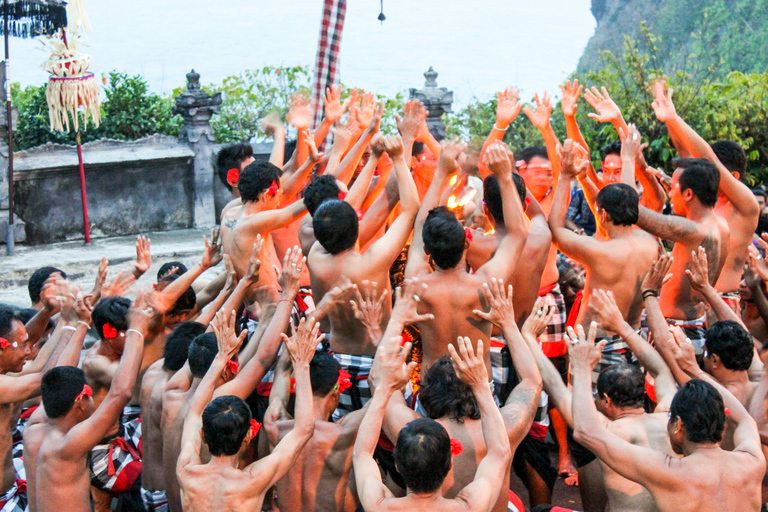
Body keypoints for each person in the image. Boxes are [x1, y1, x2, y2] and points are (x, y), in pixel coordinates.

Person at [374, 279, 542, 512]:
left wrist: (397, 320)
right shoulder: (503, 429)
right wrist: (508, 324)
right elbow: (532, 381)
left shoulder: (413, 432)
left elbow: (377, 380)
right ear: (477, 388)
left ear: (428, 393)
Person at [570, 320, 765, 512]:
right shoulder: (752, 460)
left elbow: (586, 431)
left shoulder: (671, 473)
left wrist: (580, 367)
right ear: (723, 421)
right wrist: (694, 369)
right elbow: (743, 418)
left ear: (678, 425)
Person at [524, 286, 679, 512]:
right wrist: (622, 327)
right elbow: (661, 371)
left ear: (606, 401)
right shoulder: (670, 419)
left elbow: (555, 387)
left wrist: (529, 337)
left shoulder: (603, 431)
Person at [307, 134, 420, 418]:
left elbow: (331, 218)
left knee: (343, 433)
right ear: (357, 228)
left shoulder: (315, 258)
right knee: (388, 430)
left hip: (338, 363)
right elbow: (411, 211)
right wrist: (396, 157)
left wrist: (373, 158)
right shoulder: (372, 261)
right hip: (375, 360)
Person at [405, 140, 527, 380]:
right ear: (467, 244)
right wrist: (504, 175)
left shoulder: (418, 284)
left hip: (433, 388)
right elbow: (518, 234)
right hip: (477, 386)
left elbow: (419, 226)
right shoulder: (484, 284)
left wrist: (441, 173)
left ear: (428, 250)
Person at [353, 332, 512, 512]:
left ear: (397, 465)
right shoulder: (469, 507)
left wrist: (384, 390)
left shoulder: (379, 506)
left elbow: (363, 454)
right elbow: (500, 453)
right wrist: (480, 385)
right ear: (450, 462)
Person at [175, 312, 316, 512]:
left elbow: (194, 412)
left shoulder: (186, 471)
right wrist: (301, 366)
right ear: (248, 436)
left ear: (203, 435)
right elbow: (304, 429)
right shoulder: (252, 481)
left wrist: (220, 358)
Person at [22, 294, 151, 512]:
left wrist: (82, 324)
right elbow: (120, 393)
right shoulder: (69, 445)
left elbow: (57, 374)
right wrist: (136, 332)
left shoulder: (36, 426)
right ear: (81, 402)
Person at [549, 137, 658, 382]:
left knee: (587, 412)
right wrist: (626, 160)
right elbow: (628, 194)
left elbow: (555, 230)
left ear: (603, 213)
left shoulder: (599, 251)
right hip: (633, 339)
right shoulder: (651, 244)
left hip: (595, 345)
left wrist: (565, 176)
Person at [651, 80, 760, 315]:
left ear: (733, 176)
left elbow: (707, 160)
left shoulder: (746, 206)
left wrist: (674, 118)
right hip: (692, 306)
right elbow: (687, 157)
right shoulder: (707, 200)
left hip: (722, 303)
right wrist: (668, 121)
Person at [634, 155, 729, 355]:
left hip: (677, 333)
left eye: (673, 188)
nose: (669, 194)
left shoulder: (695, 230)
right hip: (687, 325)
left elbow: (634, 212)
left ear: (688, 194)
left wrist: (628, 158)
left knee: (664, 387)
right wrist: (674, 184)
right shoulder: (719, 225)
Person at [138, 321, 205, 512]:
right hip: (164, 496)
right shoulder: (176, 395)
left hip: (148, 487)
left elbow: (185, 337)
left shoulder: (153, 373)